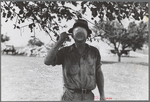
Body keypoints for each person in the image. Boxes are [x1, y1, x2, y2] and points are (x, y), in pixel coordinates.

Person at [44, 19, 105, 101]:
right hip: (70, 96)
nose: (80, 33)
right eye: (76, 31)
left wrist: (102, 95)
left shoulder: (94, 52)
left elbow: (98, 73)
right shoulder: (65, 52)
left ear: (87, 35)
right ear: (72, 35)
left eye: (83, 30)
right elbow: (47, 61)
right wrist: (59, 41)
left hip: (88, 97)